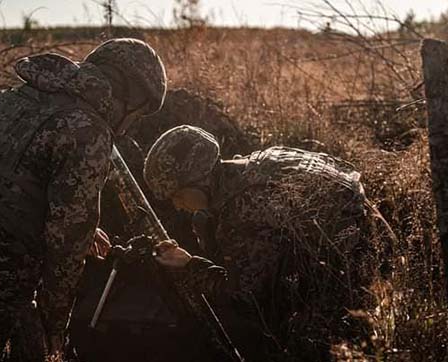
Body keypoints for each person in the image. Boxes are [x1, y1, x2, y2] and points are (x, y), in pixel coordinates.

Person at [0, 38, 167, 362]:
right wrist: (54, 326)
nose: (132, 124)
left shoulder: (15, 99)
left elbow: (4, 186)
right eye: (138, 112)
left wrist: (80, 229)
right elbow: (65, 250)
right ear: (127, 93)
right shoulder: (88, 130)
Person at [144, 125, 395, 361]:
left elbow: (246, 299)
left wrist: (190, 266)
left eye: (177, 194)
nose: (177, 205)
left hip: (354, 286)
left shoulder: (243, 210)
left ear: (200, 180)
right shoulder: (257, 164)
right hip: (375, 254)